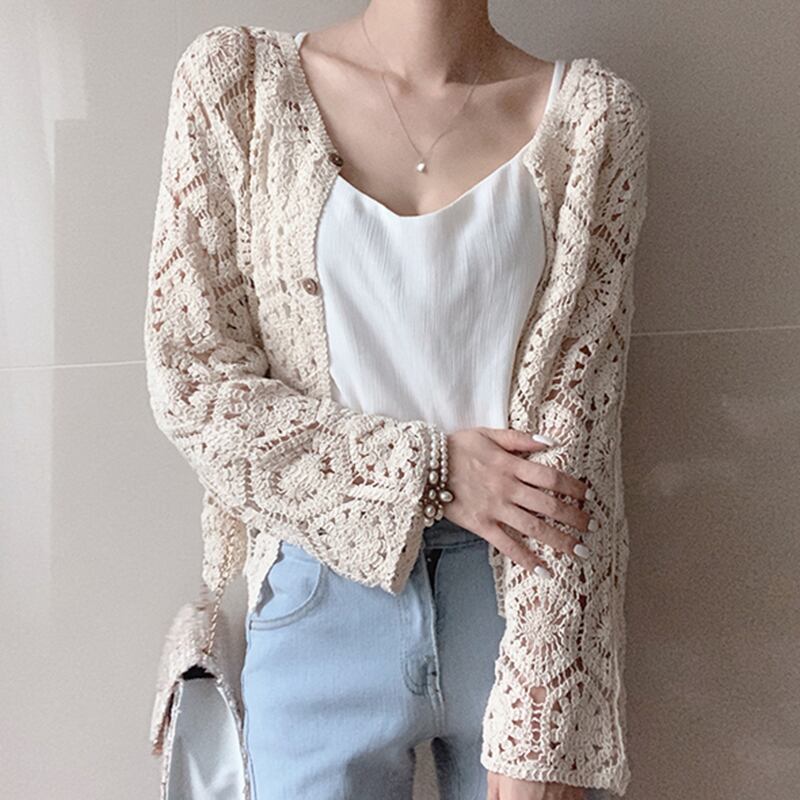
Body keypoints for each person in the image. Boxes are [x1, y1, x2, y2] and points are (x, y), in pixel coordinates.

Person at [144, 3, 651, 799]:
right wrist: (431, 472)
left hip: (518, 606)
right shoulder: (238, 85)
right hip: (319, 597)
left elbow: (578, 438)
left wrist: (546, 722)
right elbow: (194, 381)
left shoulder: (592, 119)